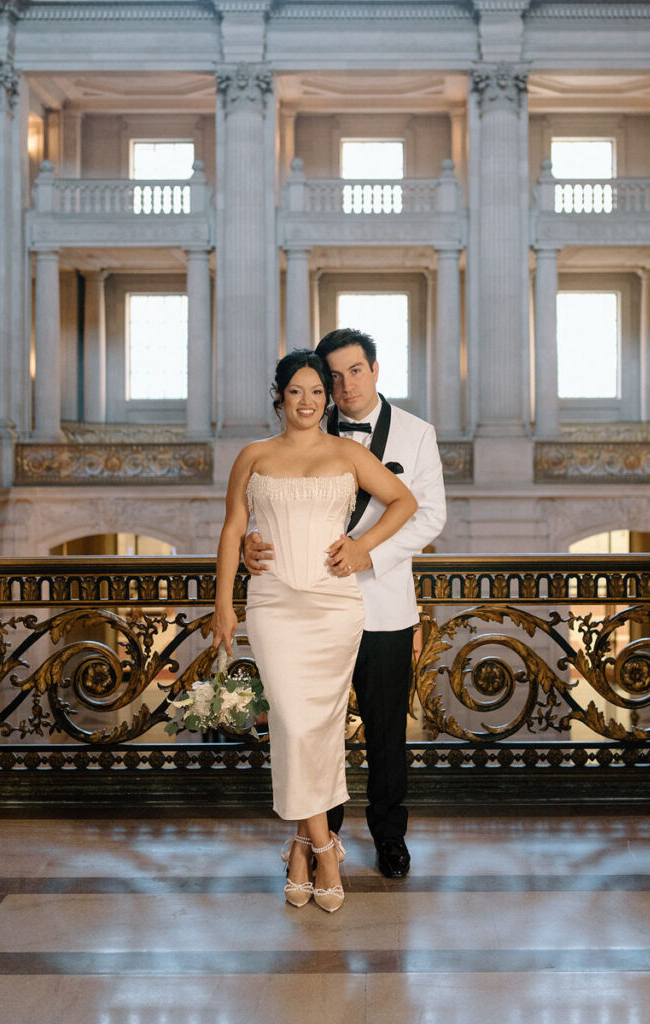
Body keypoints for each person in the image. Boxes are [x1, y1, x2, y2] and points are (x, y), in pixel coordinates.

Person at [211, 349, 417, 912]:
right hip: (273, 604)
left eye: (317, 392)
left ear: (327, 400)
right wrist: (223, 604)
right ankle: (326, 848)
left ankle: (303, 845)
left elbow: (405, 501)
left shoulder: (348, 453)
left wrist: (361, 546)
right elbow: (233, 529)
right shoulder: (253, 455)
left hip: (333, 606)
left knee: (319, 728)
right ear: (279, 396)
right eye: (297, 391)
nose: (308, 401)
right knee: (293, 722)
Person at [245, 329, 446, 879]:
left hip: (382, 602)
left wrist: (366, 553)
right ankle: (319, 837)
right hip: (301, 606)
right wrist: (249, 540)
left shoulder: (416, 433)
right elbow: (269, 501)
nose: (342, 385)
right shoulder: (306, 422)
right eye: (332, 376)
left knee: (385, 729)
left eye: (354, 371)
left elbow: (428, 515)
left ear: (376, 370)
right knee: (312, 724)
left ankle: (389, 837)